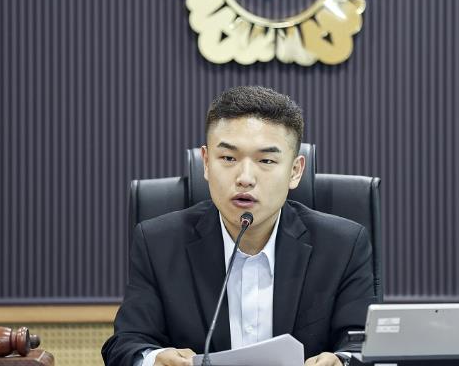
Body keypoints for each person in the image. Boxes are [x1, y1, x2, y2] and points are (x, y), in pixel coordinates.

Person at [102, 86, 375, 366]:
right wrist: (154, 359)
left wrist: (341, 361)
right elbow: (125, 345)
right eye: (229, 158)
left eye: (266, 160)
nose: (245, 178)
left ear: (295, 171)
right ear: (206, 163)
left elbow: (362, 344)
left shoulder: (343, 246)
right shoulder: (158, 243)